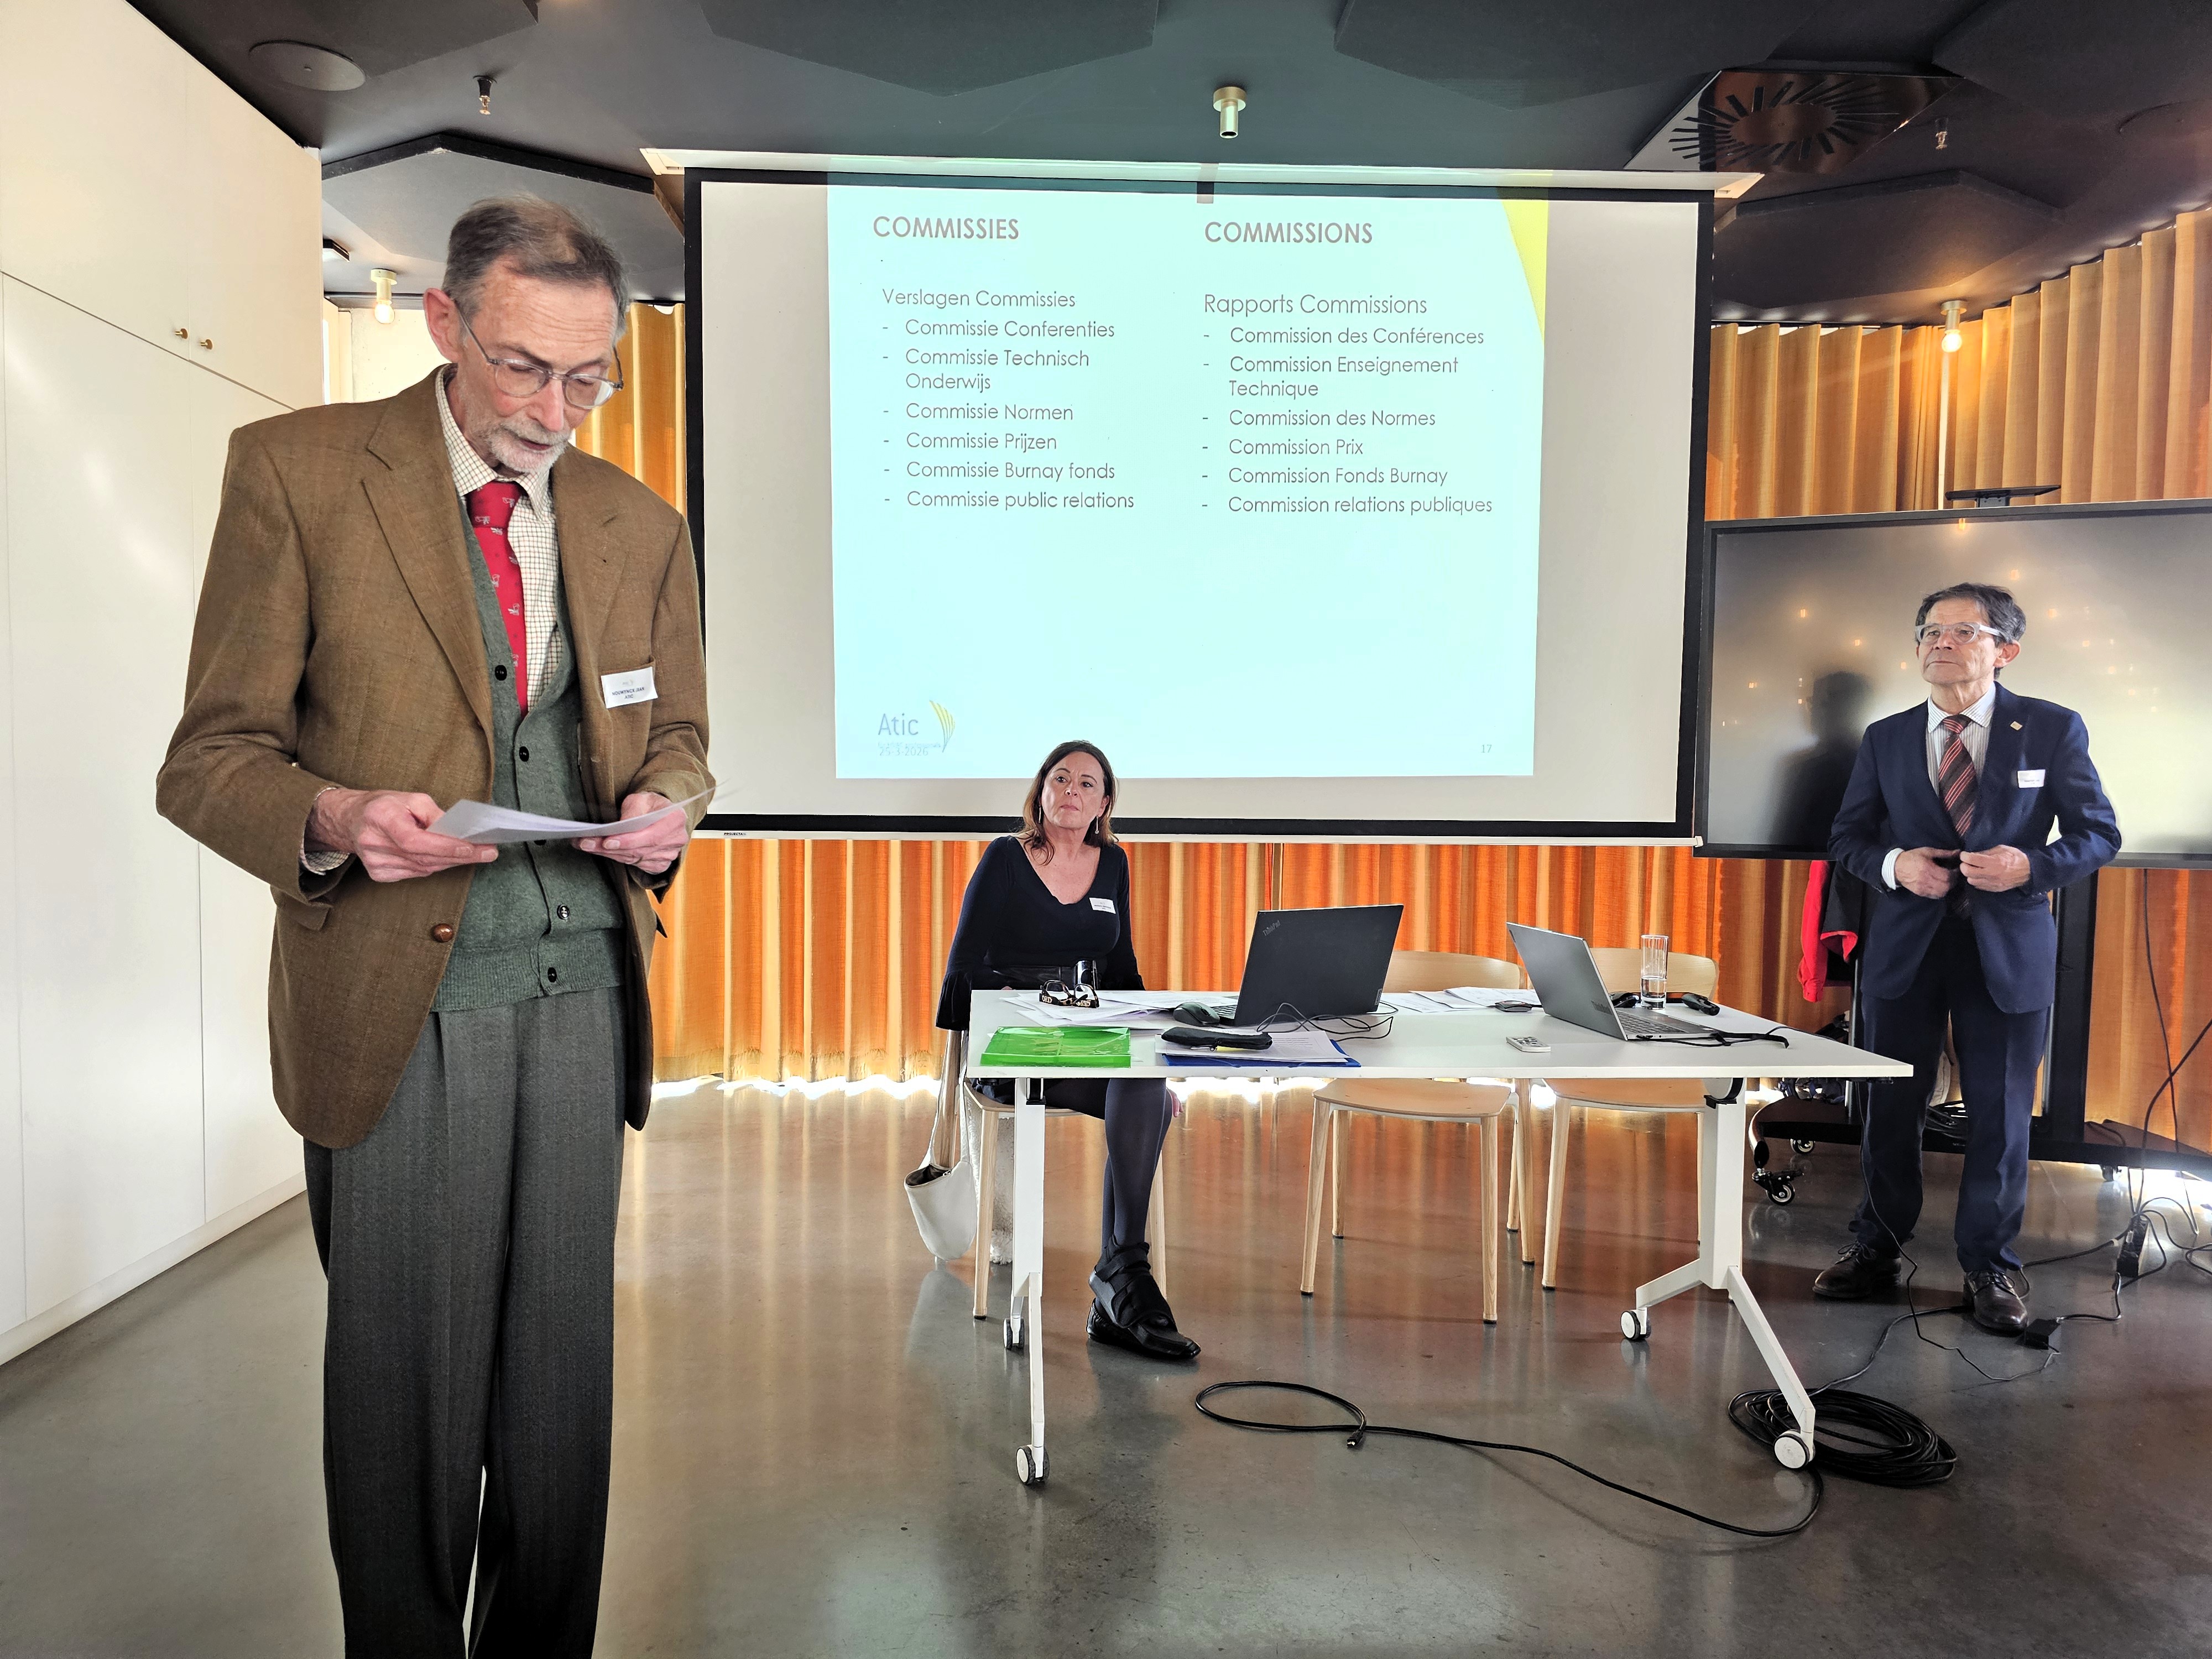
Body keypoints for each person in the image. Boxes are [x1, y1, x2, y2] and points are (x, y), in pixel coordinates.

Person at [155, 196, 713, 1654]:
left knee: (558, 1399)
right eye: (523, 366)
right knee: (403, 1397)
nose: (553, 410)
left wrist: (667, 801)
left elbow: (678, 735)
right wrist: (338, 816)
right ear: (445, 321)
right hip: (400, 1013)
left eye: (588, 378)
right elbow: (208, 760)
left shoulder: (637, 525)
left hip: (584, 991)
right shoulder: (297, 475)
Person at [1820, 582, 2117, 1333]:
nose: (1940, 642)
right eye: (1929, 631)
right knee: (1889, 1107)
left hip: (2006, 948)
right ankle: (1876, 1246)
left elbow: (2098, 834)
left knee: (2001, 1115)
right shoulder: (1886, 736)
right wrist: (1895, 867)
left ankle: (1989, 1265)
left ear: (2005, 650)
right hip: (1905, 949)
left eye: (1961, 631)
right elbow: (1847, 837)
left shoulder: (2050, 728)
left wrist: (2030, 867)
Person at [936, 740, 1197, 1361]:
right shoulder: (1005, 859)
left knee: (1146, 1086)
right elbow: (960, 975)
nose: (1071, 791)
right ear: (1042, 790)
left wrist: (1157, 1037)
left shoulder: (1114, 864)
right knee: (1143, 1099)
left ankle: (1121, 1272)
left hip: (1087, 1039)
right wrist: (1028, 993)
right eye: (1061, 778)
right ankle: (1122, 1283)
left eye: (1086, 783)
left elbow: (1124, 971)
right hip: (1014, 1043)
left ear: (1104, 803)